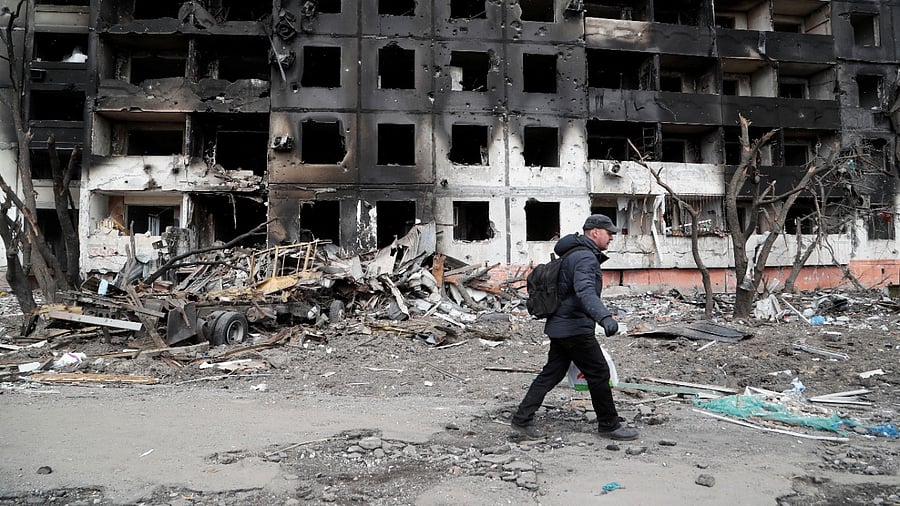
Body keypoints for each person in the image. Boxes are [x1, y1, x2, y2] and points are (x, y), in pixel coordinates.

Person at [511, 214, 638, 441]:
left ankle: (522, 419)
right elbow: (585, 291)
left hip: (561, 326)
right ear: (594, 232)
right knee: (599, 373)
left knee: (552, 373)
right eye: (609, 233)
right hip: (574, 328)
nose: (611, 238)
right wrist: (605, 318)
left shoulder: (573, 254)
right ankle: (609, 425)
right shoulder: (585, 258)